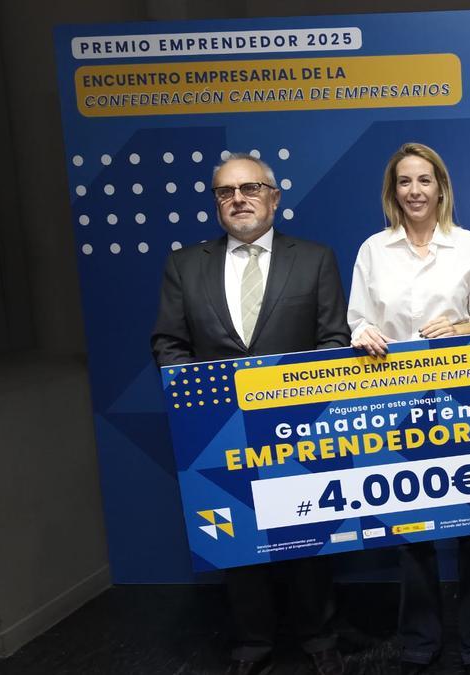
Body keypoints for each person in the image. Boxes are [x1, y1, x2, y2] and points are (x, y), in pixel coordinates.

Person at [151, 153, 348, 675]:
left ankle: (319, 636)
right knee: (235, 534)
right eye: (226, 191)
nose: (238, 199)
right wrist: (200, 405)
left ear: (274, 197)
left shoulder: (315, 259)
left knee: (308, 532)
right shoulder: (184, 265)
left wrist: (302, 401)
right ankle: (252, 642)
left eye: (250, 188)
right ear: (216, 202)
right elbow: (169, 344)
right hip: (218, 430)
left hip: (299, 425)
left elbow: (333, 339)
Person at [347, 143, 470, 675]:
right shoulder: (373, 250)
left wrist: (463, 327)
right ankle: (419, 639)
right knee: (411, 524)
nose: (414, 191)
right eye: (404, 181)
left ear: (441, 187)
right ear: (393, 192)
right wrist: (363, 333)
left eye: (424, 180)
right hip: (396, 400)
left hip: (463, 397)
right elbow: (358, 319)